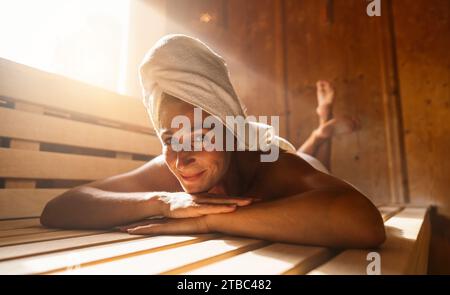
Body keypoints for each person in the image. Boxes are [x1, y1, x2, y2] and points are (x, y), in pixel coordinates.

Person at [40, 34, 384, 248]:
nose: (181, 158)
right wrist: (162, 202)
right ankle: (321, 129)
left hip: (300, 168)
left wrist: (210, 219)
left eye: (200, 135)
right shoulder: (171, 169)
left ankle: (321, 130)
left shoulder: (268, 162)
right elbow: (61, 208)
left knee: (307, 160)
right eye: (170, 137)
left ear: (231, 132)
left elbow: (365, 223)